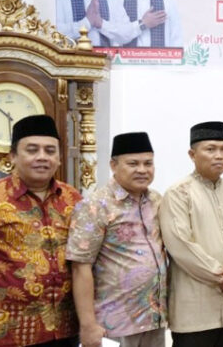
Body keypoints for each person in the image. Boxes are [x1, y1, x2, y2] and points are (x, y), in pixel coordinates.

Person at [0, 115, 82, 346]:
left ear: (59, 158)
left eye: (50, 151)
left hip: (65, 328)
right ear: (13, 156)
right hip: (6, 330)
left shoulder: (73, 198)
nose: (42, 157)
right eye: (32, 150)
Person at [159, 121, 223, 347]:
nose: (219, 156)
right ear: (192, 154)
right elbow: (181, 246)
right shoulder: (178, 193)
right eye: (211, 149)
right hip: (195, 313)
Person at [67, 132, 167, 347]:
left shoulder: (156, 201)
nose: (142, 170)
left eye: (148, 163)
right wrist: (88, 325)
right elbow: (80, 267)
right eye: (133, 163)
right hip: (113, 324)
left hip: (153, 319)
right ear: (113, 165)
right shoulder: (95, 205)